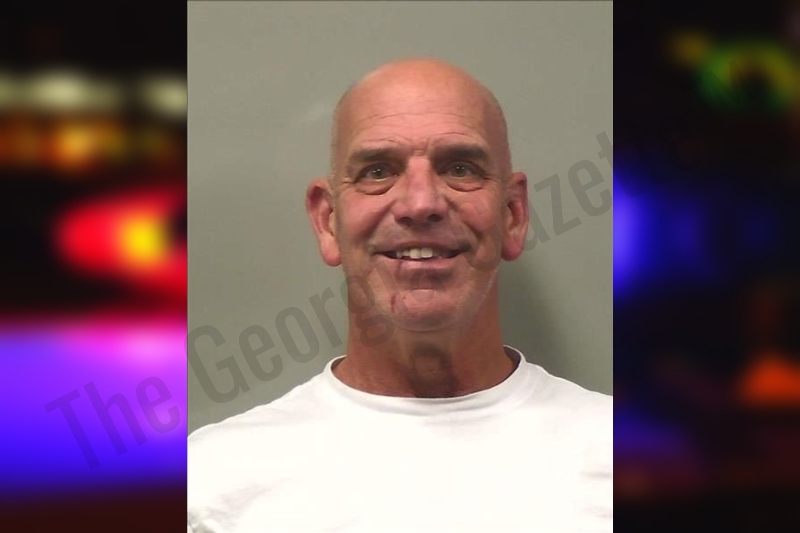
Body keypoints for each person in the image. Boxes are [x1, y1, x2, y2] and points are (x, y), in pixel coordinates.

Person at [188, 58, 612, 533]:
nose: (421, 203)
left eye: (459, 168)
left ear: (512, 214)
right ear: (327, 222)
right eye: (377, 172)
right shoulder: (212, 486)